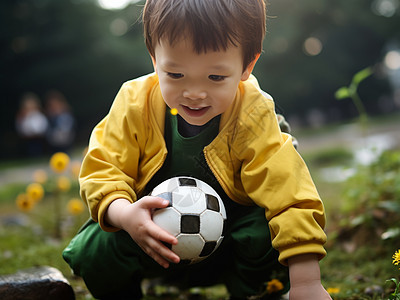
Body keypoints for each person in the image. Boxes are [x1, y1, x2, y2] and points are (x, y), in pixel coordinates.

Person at [63, 0, 330, 299]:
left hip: (230, 249)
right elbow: (103, 168)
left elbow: (288, 191)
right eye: (175, 75)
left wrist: (307, 282)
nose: (194, 94)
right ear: (154, 59)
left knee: (264, 231)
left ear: (247, 66)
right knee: (95, 247)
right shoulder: (134, 103)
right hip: (149, 240)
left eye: (216, 77)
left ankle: (254, 294)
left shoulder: (253, 113)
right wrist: (125, 215)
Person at [15, 92, 49, 157]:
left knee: (39, 151)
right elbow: (21, 127)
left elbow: (43, 125)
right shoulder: (23, 116)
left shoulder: (39, 115)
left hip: (39, 137)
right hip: (28, 138)